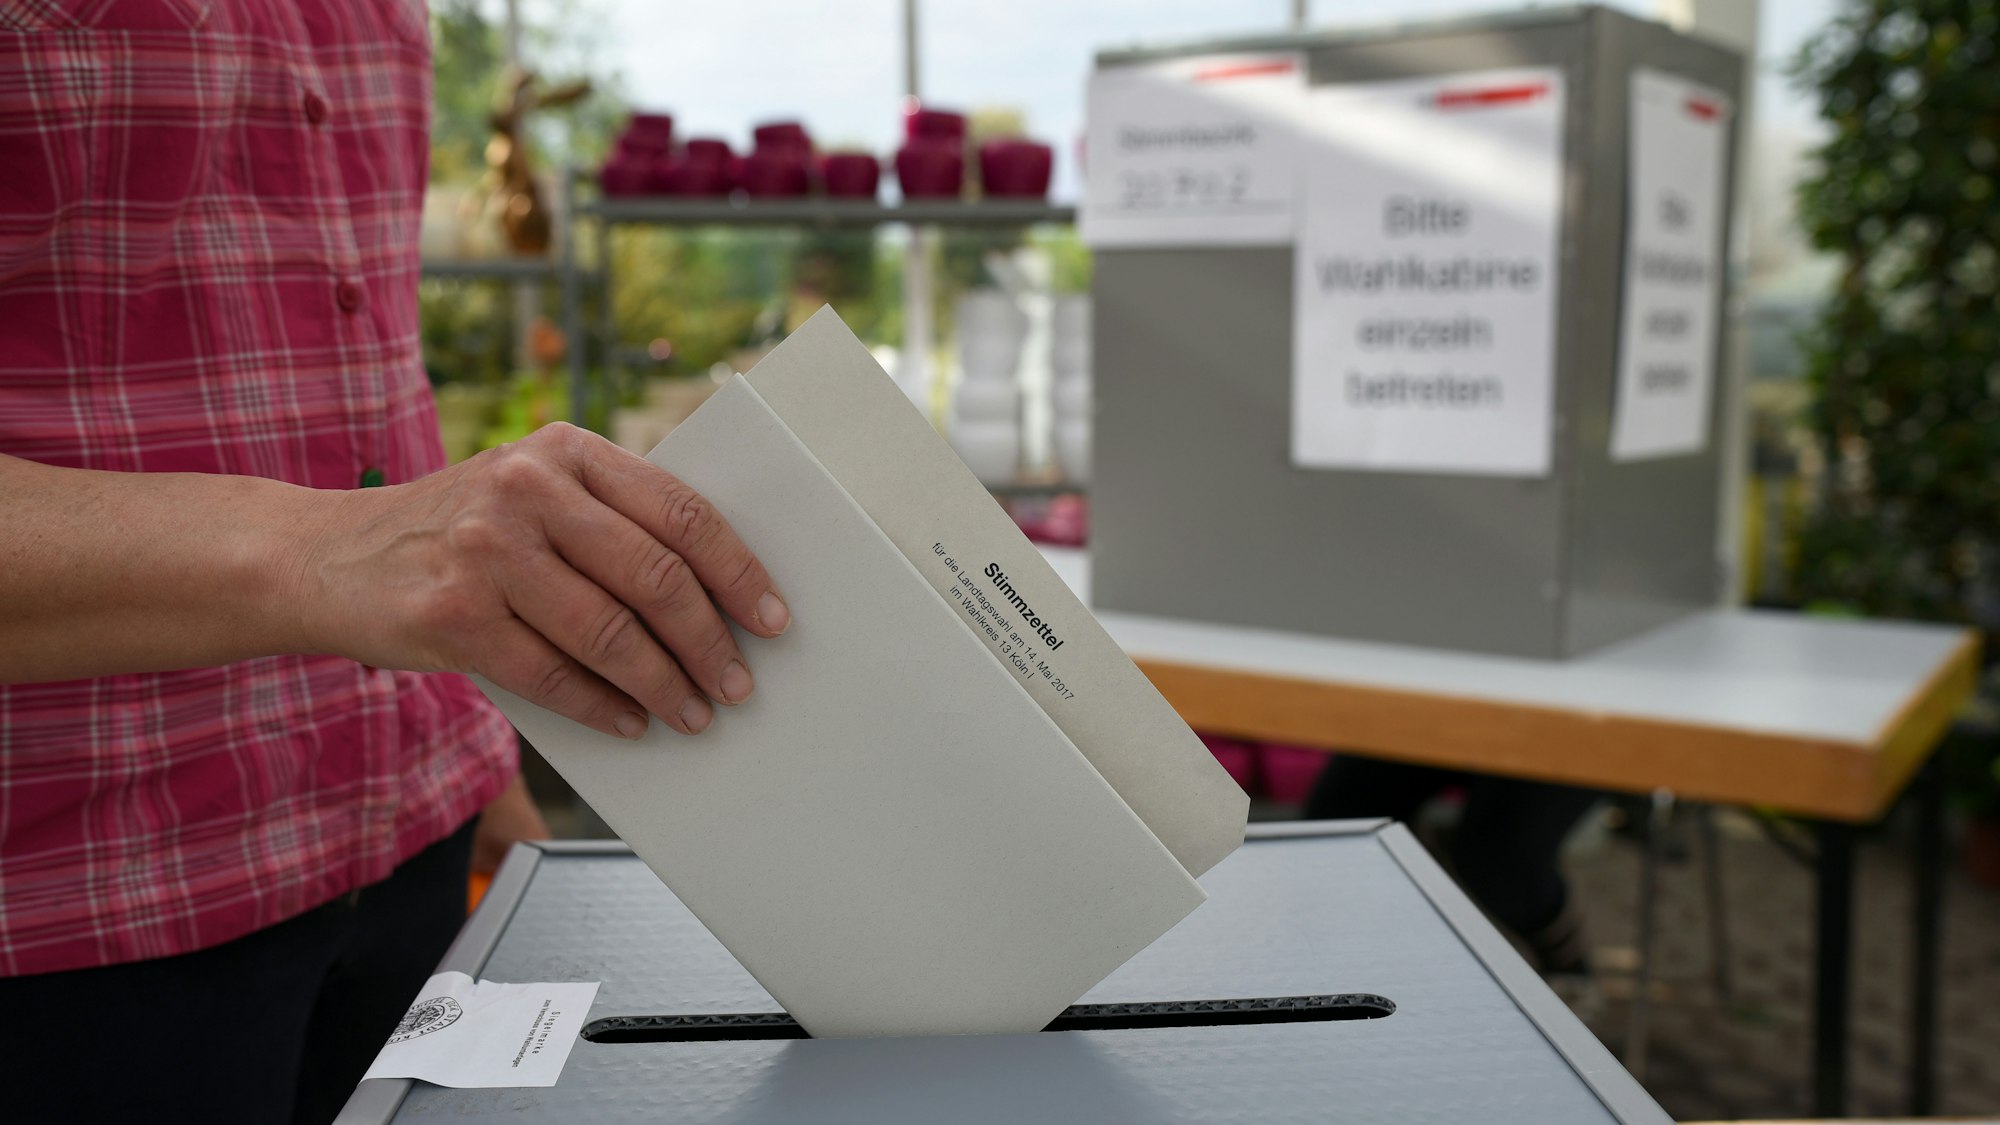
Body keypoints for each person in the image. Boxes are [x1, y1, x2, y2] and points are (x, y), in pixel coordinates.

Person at [0, 4, 786, 1121]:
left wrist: (479, 760)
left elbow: (352, 349)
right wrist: (322, 555)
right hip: (79, 915)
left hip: (424, 837)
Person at [1304, 755, 1597, 974]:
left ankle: (1566, 964)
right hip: (1427, 703)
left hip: (1561, 721)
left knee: (1497, 862)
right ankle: (1395, 954)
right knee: (1334, 834)